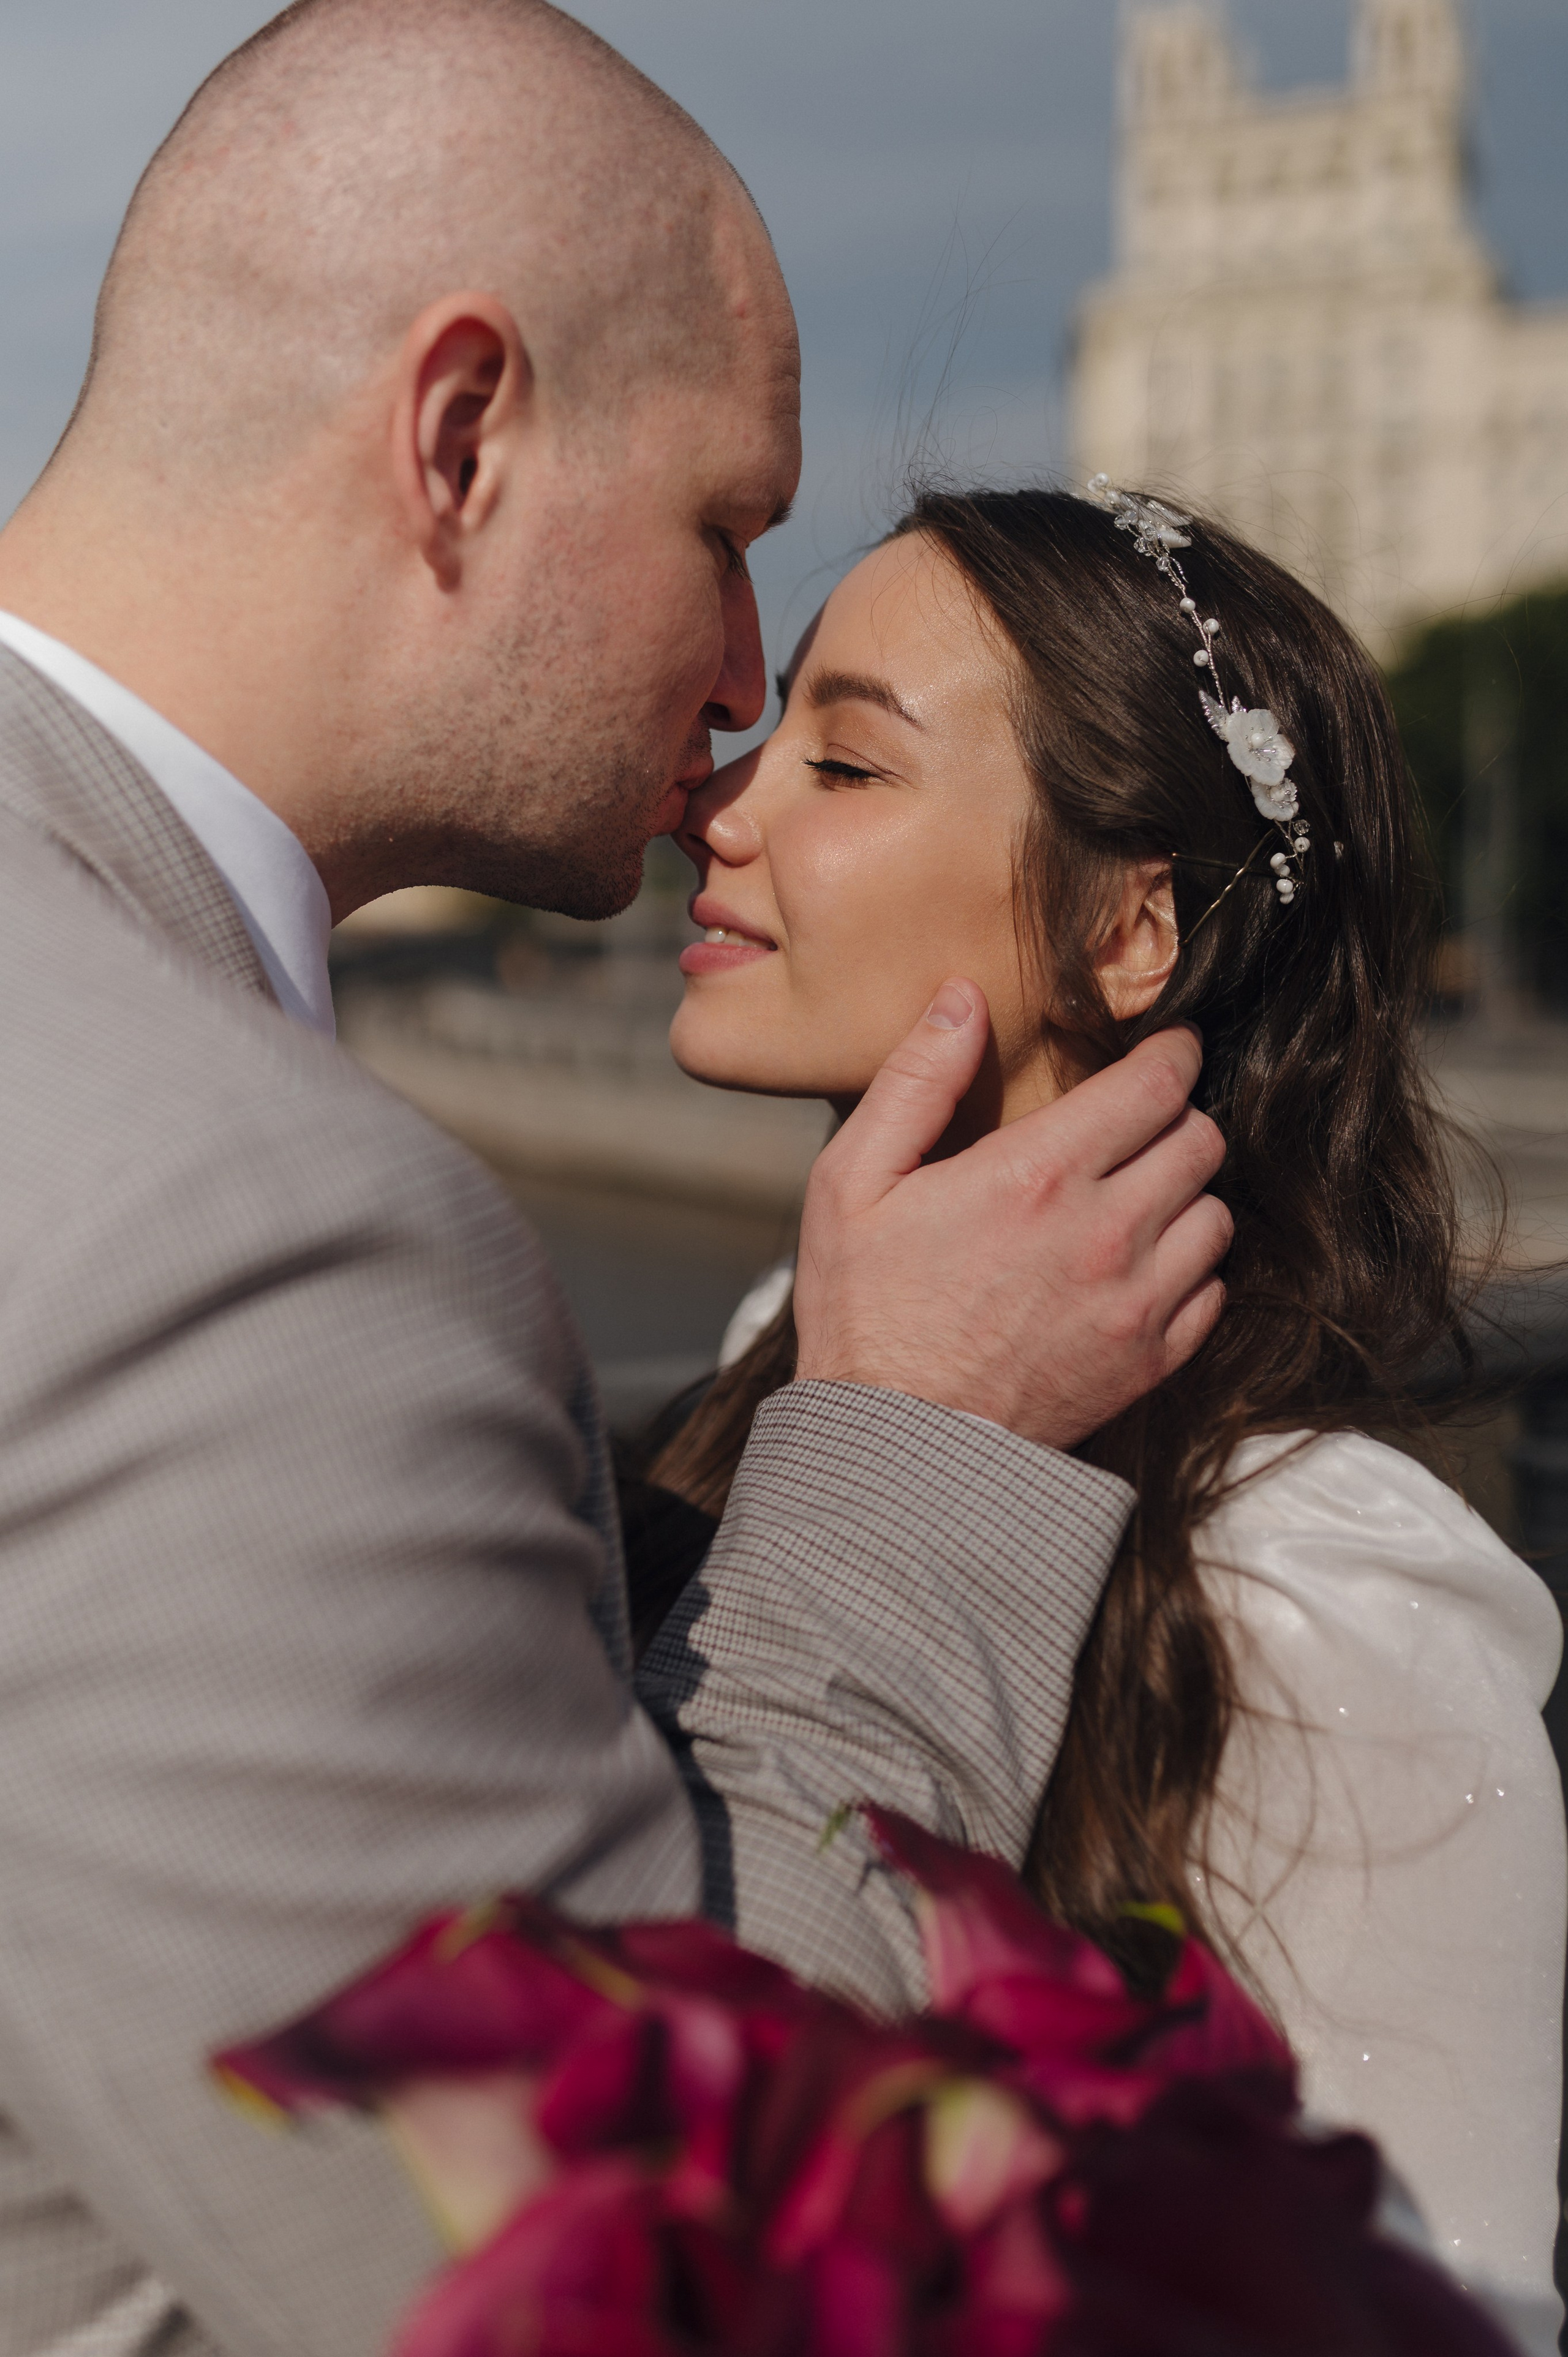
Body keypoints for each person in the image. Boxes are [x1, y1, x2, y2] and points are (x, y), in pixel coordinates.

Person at [0, 9, 1234, 2354]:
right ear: (461, 438)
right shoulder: (237, 1234)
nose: (742, 677)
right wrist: (922, 1444)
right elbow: (627, 2270)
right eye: (726, 532)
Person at [648, 483, 1567, 2321]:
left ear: (1134, 929)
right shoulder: (803, 1349)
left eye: (846, 763)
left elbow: (1441, 2315)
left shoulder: (1316, 1597)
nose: (721, 806)